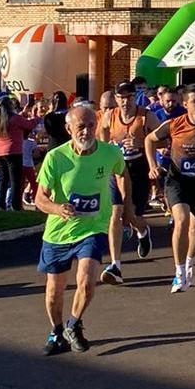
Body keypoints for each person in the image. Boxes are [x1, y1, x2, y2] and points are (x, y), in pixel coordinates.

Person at [35, 105, 131, 355]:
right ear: (69, 129)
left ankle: (74, 323)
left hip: (92, 228)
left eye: (91, 125)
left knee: (87, 282)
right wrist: (57, 209)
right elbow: (40, 199)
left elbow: (122, 173)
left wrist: (126, 206)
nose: (87, 131)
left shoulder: (110, 153)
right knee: (54, 291)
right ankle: (56, 332)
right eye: (81, 126)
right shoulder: (56, 158)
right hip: (59, 232)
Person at [145, 84, 195, 293]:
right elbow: (149, 139)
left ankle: (189, 263)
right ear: (185, 104)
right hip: (177, 179)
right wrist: (153, 166)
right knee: (181, 220)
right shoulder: (174, 124)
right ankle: (179, 273)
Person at [98, 83, 153, 284]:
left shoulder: (145, 115)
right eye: (121, 97)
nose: (125, 101)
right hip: (116, 170)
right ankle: (115, 265)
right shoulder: (109, 116)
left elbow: (163, 139)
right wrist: (107, 149)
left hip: (138, 170)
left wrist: (143, 142)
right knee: (115, 215)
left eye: (129, 97)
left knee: (131, 216)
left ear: (134, 97)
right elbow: (102, 134)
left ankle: (142, 230)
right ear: (116, 98)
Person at [0, 96, 40, 211]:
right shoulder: (14, 118)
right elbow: (29, 125)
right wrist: (37, 117)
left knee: (3, 180)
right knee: (15, 181)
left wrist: (23, 113)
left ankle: (0, 206)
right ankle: (15, 206)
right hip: (13, 151)